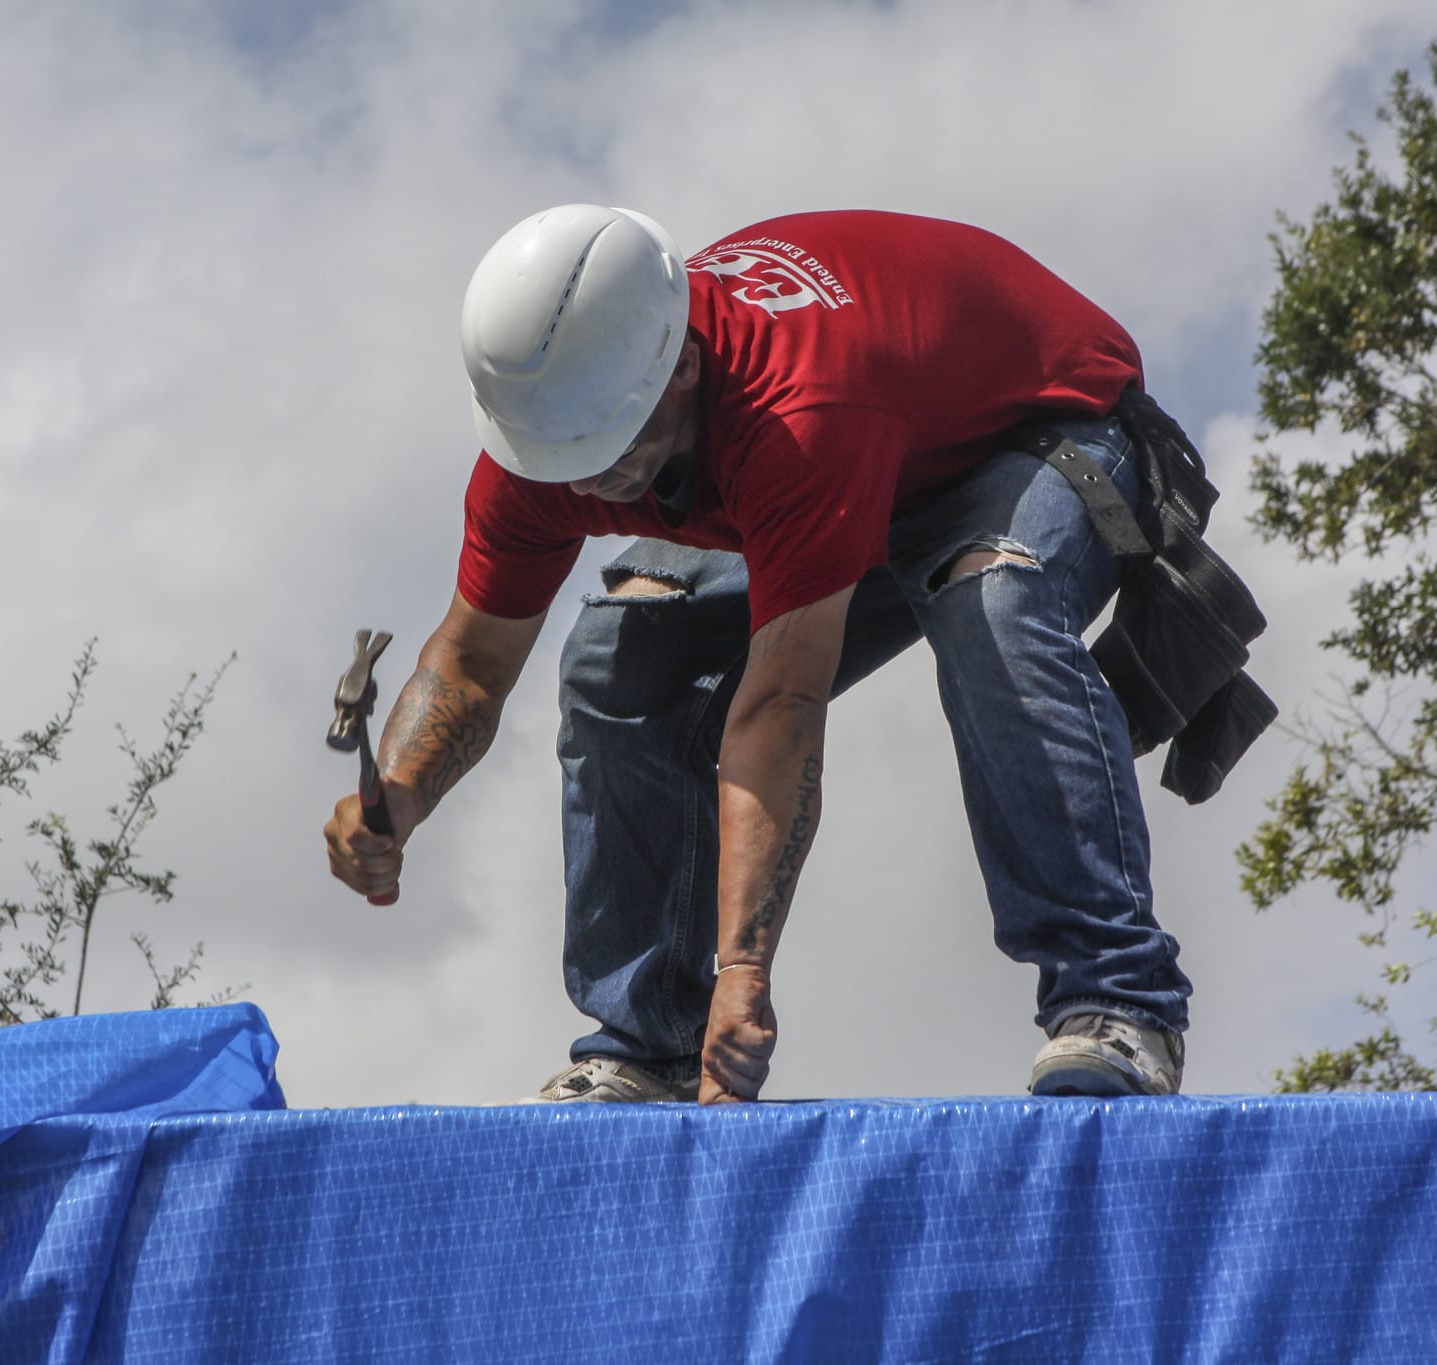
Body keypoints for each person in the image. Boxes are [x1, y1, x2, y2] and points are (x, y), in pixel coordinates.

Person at [326, 205, 1198, 1104]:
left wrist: (743, 970)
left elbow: (779, 704)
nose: (584, 483)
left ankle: (1118, 1003)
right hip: (858, 463)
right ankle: (644, 1048)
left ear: (683, 370)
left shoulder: (796, 410)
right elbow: (472, 657)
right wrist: (399, 791)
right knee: (615, 652)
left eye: (606, 452)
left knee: (992, 594)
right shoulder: (550, 429)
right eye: (559, 458)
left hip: (1037, 427)